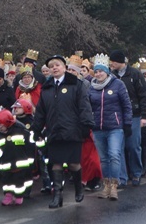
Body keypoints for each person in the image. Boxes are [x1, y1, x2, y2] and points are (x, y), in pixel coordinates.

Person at [31, 55, 94, 209]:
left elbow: (84, 107)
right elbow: (40, 112)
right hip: (54, 131)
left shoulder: (76, 85)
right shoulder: (46, 88)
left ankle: (78, 188)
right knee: (56, 164)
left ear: (64, 67)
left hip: (72, 131)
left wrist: (86, 126)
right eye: (51, 66)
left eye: (57, 65)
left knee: (73, 164)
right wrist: (36, 129)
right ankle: (57, 196)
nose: (54, 68)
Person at [88, 54, 132, 200]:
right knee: (104, 158)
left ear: (107, 71)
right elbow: (87, 107)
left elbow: (126, 105)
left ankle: (114, 185)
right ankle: (106, 185)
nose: (98, 74)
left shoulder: (118, 84)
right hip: (98, 128)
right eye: (96, 71)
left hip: (115, 127)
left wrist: (127, 124)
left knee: (114, 155)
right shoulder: (91, 87)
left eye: (101, 71)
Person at [109, 49, 146, 187]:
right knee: (118, 148)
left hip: (134, 115)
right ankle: (122, 177)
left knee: (133, 146)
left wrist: (144, 115)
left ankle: (136, 173)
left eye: (113, 61)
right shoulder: (111, 76)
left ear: (120, 61)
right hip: (117, 116)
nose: (111, 64)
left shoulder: (135, 74)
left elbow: (144, 95)